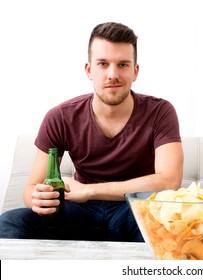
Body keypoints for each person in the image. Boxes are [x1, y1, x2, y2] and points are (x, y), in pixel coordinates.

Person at [0, 22, 184, 241]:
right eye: (103, 64)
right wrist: (39, 199)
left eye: (123, 65)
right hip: (78, 212)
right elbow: (31, 188)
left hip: (135, 210)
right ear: (89, 70)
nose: (112, 74)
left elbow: (169, 182)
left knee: (175, 230)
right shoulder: (60, 116)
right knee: (10, 222)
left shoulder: (160, 111)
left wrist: (88, 191)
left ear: (135, 71)